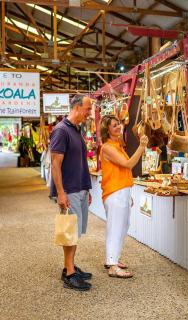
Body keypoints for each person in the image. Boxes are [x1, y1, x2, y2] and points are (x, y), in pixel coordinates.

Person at [50, 95, 93, 291]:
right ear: (77, 107)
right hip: (69, 190)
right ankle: (69, 273)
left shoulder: (76, 130)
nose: (89, 112)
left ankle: (70, 265)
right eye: (87, 108)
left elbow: (79, 162)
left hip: (80, 188)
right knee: (70, 232)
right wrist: (60, 193)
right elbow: (55, 165)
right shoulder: (61, 131)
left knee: (75, 232)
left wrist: (87, 188)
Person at [100, 115, 148, 278]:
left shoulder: (118, 145)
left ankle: (113, 258)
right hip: (115, 192)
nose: (119, 127)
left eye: (118, 124)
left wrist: (128, 193)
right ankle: (112, 265)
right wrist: (141, 147)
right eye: (114, 125)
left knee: (122, 226)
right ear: (107, 130)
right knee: (115, 228)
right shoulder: (107, 147)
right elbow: (127, 165)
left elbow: (123, 171)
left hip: (122, 191)